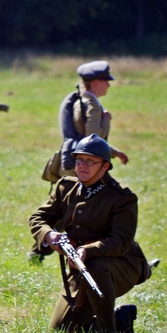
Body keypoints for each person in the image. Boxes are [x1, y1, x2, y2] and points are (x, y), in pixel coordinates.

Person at [29, 135, 151, 333]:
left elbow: (121, 241)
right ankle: (120, 319)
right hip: (79, 266)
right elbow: (39, 218)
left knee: (95, 266)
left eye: (90, 161)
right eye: (79, 160)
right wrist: (50, 235)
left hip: (120, 264)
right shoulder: (66, 187)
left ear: (105, 166)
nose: (82, 166)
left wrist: (88, 250)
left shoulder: (122, 197)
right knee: (63, 329)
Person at [31, 60, 129, 263]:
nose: (108, 85)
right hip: (84, 164)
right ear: (95, 83)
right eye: (105, 81)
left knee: (64, 212)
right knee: (78, 213)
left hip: (78, 162)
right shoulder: (91, 105)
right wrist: (105, 121)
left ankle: (39, 251)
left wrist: (114, 152)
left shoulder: (83, 101)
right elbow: (92, 138)